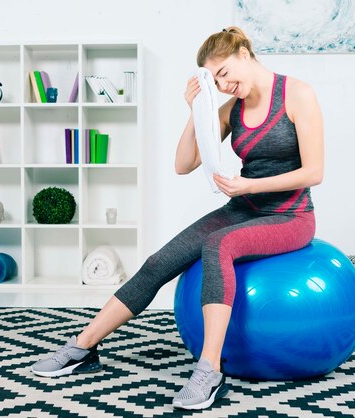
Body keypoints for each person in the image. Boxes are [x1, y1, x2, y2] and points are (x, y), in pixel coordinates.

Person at [30, 26, 324, 411]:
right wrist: (195, 111)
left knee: (219, 245)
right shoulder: (229, 110)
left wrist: (249, 186)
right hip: (243, 208)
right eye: (213, 79)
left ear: (244, 54)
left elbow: (313, 172)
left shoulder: (296, 94)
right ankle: (82, 347)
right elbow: (183, 164)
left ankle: (209, 370)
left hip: (291, 215)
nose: (222, 84)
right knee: (159, 262)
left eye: (223, 73)